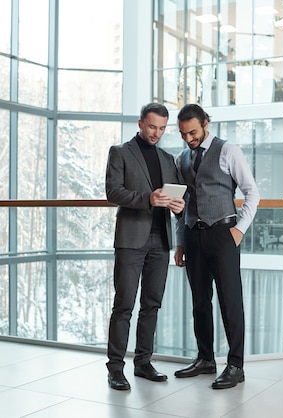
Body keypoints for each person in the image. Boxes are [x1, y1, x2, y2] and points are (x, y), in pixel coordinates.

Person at [173, 103, 260, 389]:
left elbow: (252, 192)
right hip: (193, 236)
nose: (189, 139)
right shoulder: (181, 160)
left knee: (230, 301)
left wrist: (239, 230)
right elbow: (180, 206)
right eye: (184, 134)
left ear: (206, 123)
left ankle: (236, 365)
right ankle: (205, 358)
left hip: (224, 233)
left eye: (193, 132)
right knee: (200, 302)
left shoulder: (227, 150)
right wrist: (180, 242)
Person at [105, 103, 185, 391]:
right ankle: (115, 368)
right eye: (152, 127)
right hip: (130, 240)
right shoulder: (120, 152)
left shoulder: (167, 159)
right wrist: (146, 199)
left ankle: (143, 362)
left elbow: (176, 196)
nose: (157, 133)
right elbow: (112, 192)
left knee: (152, 305)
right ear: (140, 123)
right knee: (124, 305)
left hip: (160, 242)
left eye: (162, 128)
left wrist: (179, 205)